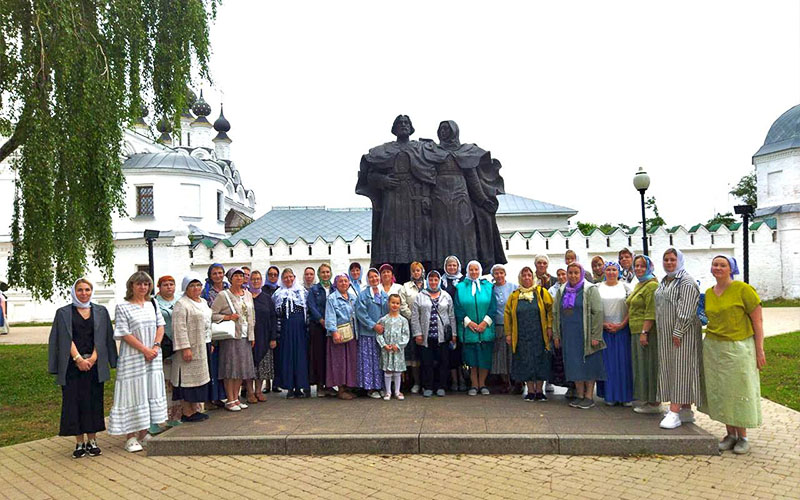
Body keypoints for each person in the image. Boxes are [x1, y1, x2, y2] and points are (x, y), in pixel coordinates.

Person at [701, 255, 765, 454]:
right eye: (715, 264)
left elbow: (758, 321)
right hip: (714, 348)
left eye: (723, 265)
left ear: (731, 269)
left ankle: (743, 436)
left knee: (738, 390)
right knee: (721, 391)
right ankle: (730, 434)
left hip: (738, 348)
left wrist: (759, 349)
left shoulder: (743, 290)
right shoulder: (709, 293)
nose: (718, 267)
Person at [48, 278, 117, 458]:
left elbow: (104, 337)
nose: (84, 293)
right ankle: (79, 443)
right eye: (80, 290)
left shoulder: (101, 312)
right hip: (72, 366)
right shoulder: (63, 313)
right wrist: (78, 358)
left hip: (94, 365)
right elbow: (62, 337)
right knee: (74, 402)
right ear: (74, 292)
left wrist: (94, 357)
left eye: (87, 289)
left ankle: (92, 441)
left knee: (93, 402)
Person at [107, 271, 167, 452]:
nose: (143, 287)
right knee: (133, 392)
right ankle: (130, 436)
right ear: (131, 286)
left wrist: (155, 346)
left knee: (148, 390)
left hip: (153, 356)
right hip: (133, 357)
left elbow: (161, 326)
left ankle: (144, 432)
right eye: (139, 284)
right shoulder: (123, 307)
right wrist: (144, 350)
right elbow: (124, 333)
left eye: (146, 284)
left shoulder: (152, 304)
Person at [654, 248, 703, 429]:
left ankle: (674, 412)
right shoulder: (666, 280)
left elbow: (687, 309)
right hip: (667, 336)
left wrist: (678, 331)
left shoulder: (686, 282)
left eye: (673, 259)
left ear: (680, 260)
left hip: (682, 335)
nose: (669, 263)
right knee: (673, 369)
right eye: (666, 259)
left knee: (681, 370)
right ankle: (685, 410)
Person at [552, 263, 606, 410]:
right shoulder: (562, 290)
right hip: (570, 335)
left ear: (581, 274)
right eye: (570, 273)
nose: (573, 276)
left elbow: (598, 312)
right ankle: (580, 395)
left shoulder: (589, 289)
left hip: (586, 333)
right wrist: (556, 334)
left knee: (589, 363)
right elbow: (556, 312)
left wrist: (596, 335)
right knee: (574, 364)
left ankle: (589, 396)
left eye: (576, 273)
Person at [504, 267, 553, 401]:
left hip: (539, 334)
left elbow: (550, 310)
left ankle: (539, 391)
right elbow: (507, 315)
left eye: (529, 275)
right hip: (522, 335)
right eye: (524, 275)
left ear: (533, 278)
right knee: (525, 361)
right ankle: (530, 390)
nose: (526, 278)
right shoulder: (514, 295)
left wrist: (549, 327)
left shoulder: (542, 293)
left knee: (541, 360)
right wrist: (508, 333)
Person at [211, 267, 256, 411]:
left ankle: (236, 398)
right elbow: (212, 314)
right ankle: (230, 399)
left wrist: (252, 334)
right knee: (230, 369)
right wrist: (228, 317)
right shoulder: (224, 295)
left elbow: (252, 316)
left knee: (241, 369)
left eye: (241, 276)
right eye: (235, 276)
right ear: (230, 278)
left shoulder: (248, 294)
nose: (239, 278)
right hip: (231, 336)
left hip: (245, 336)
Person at [170, 274, 211, 423]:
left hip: (202, 343)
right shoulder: (182, 304)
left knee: (198, 379)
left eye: (198, 285)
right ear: (186, 288)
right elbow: (179, 328)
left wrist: (209, 341)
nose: (196, 288)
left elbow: (207, 323)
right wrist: (185, 348)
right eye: (192, 286)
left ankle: (195, 410)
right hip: (189, 347)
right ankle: (187, 412)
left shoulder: (204, 302)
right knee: (187, 380)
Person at [412, 270, 457, 397]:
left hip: (442, 336)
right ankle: (428, 387)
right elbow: (415, 317)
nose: (433, 282)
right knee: (427, 362)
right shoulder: (420, 296)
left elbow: (451, 316)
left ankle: (441, 386)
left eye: (435, 280)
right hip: (426, 335)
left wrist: (454, 334)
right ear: (427, 281)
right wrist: (418, 334)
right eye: (431, 279)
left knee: (443, 362)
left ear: (439, 281)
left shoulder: (446, 296)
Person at [454, 260, 496, 396]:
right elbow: (458, 307)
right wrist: (469, 322)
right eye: (471, 270)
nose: (474, 272)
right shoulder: (460, 287)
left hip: (485, 329)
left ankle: (482, 383)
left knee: (484, 357)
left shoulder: (488, 286)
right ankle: (473, 384)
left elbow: (493, 306)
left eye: (476, 270)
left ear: (480, 271)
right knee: (471, 358)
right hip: (469, 329)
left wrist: (485, 323)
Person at [627, 255, 662, 414]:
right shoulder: (640, 284)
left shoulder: (652, 286)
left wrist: (644, 332)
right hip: (635, 330)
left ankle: (654, 403)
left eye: (642, 266)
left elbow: (651, 311)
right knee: (641, 366)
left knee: (649, 365)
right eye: (636, 266)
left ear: (649, 266)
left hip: (645, 332)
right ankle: (647, 399)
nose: (639, 269)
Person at [595, 262, 634, 406]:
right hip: (605, 330)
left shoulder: (625, 287)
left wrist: (622, 324)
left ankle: (625, 396)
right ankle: (610, 395)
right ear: (604, 271)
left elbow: (631, 308)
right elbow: (594, 309)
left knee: (623, 364)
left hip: (622, 330)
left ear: (618, 272)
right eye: (608, 270)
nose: (611, 272)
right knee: (608, 364)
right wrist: (603, 324)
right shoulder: (598, 288)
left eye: (614, 270)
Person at [272, 268, 311, 399]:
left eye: (291, 277)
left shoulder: (302, 292)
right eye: (285, 277)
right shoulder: (278, 294)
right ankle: (289, 387)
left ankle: (300, 387)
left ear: (294, 277)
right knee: (288, 357)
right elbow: (276, 315)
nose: (288, 279)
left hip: (300, 328)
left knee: (300, 357)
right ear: (282, 280)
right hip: (286, 329)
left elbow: (308, 311)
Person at [354, 268, 388, 398]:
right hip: (368, 334)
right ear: (368, 279)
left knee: (381, 361)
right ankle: (370, 388)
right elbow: (361, 314)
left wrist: (384, 327)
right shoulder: (363, 295)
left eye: (376, 276)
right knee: (370, 361)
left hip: (381, 334)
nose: (374, 279)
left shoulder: (384, 294)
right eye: (371, 277)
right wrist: (373, 325)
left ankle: (381, 386)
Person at [325, 274, 358, 400]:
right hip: (339, 334)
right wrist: (334, 332)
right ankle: (341, 389)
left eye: (345, 281)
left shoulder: (353, 297)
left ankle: (348, 387)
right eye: (340, 282)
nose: (343, 283)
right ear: (336, 284)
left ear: (349, 283)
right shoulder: (332, 299)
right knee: (339, 362)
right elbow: (330, 316)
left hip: (351, 334)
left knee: (350, 361)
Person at [155, 276, 182, 429]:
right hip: (164, 347)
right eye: (165, 284)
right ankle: (161, 418)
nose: (169, 287)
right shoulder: (154, 302)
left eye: (172, 284)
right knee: (165, 384)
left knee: (177, 381)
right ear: (159, 287)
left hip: (178, 345)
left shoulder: (180, 299)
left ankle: (176, 416)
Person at [200, 263, 227, 406]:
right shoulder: (206, 292)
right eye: (214, 273)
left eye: (220, 273)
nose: (218, 276)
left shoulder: (228, 288)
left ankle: (225, 395)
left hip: (228, 331)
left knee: (226, 364)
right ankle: (212, 397)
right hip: (213, 331)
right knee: (213, 365)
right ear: (210, 275)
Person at [249, 270, 277, 401]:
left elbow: (273, 317)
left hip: (264, 335)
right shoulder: (245, 296)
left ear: (261, 281)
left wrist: (273, 337)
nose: (255, 281)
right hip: (249, 336)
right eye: (253, 279)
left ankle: (259, 391)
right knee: (249, 364)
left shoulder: (266, 298)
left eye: (258, 279)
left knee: (262, 365)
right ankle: (250, 392)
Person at [376, 294, 410, 400]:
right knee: (388, 370)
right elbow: (379, 334)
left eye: (397, 303)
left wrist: (399, 345)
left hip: (398, 350)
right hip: (387, 349)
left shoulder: (403, 320)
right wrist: (384, 345)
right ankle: (388, 392)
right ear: (388, 303)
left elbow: (406, 335)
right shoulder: (383, 320)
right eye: (393, 303)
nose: (395, 305)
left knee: (397, 371)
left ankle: (397, 391)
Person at [307, 263, 334, 397]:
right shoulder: (314, 289)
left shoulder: (334, 288)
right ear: (319, 274)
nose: (325, 274)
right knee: (318, 356)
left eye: (327, 272)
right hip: (318, 326)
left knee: (330, 356)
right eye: (323, 272)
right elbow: (311, 306)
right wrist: (321, 320)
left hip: (332, 327)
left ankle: (329, 384)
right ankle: (319, 386)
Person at [399, 261, 425, 393]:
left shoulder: (428, 285)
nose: (416, 273)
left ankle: (427, 382)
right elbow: (402, 305)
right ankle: (416, 383)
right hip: (412, 324)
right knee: (414, 355)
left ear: (422, 271)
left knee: (426, 354)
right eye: (414, 271)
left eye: (418, 270)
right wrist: (414, 318)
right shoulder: (405, 287)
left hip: (427, 325)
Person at [441, 255, 467, 392]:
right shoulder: (441, 281)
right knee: (450, 352)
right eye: (449, 265)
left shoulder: (463, 281)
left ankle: (463, 378)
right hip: (445, 322)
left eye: (454, 265)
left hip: (461, 320)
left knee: (461, 351)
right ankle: (454, 380)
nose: (452, 268)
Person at [490, 263, 517, 393]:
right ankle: (505, 381)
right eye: (496, 273)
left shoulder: (513, 287)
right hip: (498, 325)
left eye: (501, 272)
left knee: (512, 354)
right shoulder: (491, 289)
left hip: (512, 325)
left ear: (505, 274)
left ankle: (516, 381)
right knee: (500, 355)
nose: (499, 275)